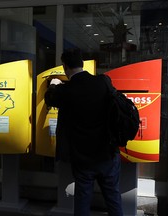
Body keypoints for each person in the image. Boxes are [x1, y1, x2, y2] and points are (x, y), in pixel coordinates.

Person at [44, 48, 123, 216]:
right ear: (82, 64)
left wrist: (54, 85)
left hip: (83, 158)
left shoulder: (66, 91)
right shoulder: (103, 81)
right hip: (107, 153)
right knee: (113, 198)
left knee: (82, 200)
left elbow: (49, 99)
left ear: (65, 66)